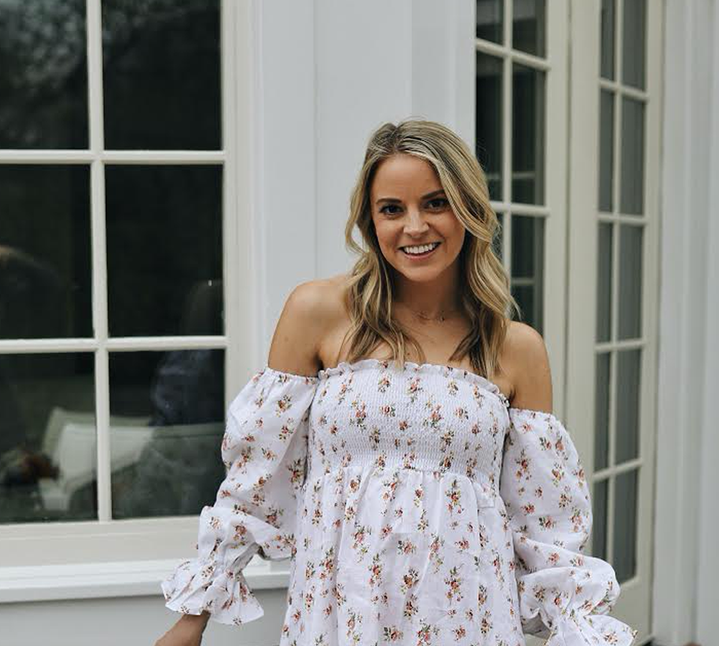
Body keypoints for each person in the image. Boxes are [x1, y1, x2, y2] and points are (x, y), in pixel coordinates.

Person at [155, 118, 638, 646]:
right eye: (392, 209)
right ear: (370, 221)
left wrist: (580, 625)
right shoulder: (318, 313)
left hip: (469, 621)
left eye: (435, 203)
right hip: (340, 618)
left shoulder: (515, 348)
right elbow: (256, 477)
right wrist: (193, 617)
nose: (414, 226)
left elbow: (545, 523)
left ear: (469, 209)